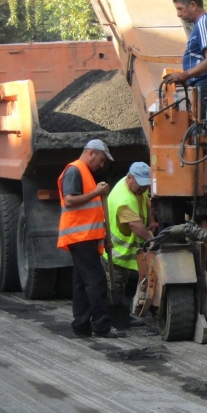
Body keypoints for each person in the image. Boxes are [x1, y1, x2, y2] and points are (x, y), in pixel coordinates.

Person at [57, 139, 125, 339]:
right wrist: (96, 192)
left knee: (81, 284)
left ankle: (81, 326)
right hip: (80, 236)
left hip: (83, 237)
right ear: (91, 153)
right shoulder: (75, 170)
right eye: (101, 160)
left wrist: (102, 237)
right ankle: (101, 326)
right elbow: (69, 200)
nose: (101, 165)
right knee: (96, 281)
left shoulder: (83, 172)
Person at [105, 162, 154, 320]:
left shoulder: (138, 188)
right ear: (129, 178)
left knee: (126, 285)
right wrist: (152, 240)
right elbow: (135, 225)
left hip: (129, 252)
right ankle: (116, 320)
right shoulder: (123, 199)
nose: (143, 189)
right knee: (116, 288)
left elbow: (147, 200)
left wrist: (151, 219)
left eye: (146, 186)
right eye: (140, 186)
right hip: (117, 253)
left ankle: (123, 316)